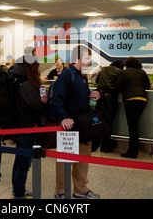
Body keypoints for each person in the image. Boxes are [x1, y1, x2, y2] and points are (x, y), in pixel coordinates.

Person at [50, 45, 101, 199]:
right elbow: (57, 99)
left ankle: (80, 188)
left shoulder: (82, 76)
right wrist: (63, 117)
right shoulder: (67, 75)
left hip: (83, 125)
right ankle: (61, 191)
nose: (90, 61)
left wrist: (95, 95)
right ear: (77, 59)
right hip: (69, 124)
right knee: (65, 160)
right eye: (87, 57)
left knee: (83, 158)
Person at [9, 53, 48, 199]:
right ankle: (19, 193)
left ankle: (17, 189)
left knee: (19, 160)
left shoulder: (18, 80)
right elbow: (37, 106)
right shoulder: (26, 84)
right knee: (24, 162)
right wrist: (44, 102)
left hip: (21, 126)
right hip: (27, 127)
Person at [116, 57, 150, 159]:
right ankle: (133, 150)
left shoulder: (124, 73)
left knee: (132, 126)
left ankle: (132, 152)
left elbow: (117, 87)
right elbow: (147, 86)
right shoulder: (142, 72)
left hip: (130, 99)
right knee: (134, 125)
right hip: (142, 100)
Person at [95, 60, 124, 152]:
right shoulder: (119, 72)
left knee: (101, 120)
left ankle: (99, 143)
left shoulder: (103, 69)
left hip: (100, 97)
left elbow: (96, 81)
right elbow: (120, 85)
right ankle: (106, 145)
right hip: (111, 98)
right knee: (109, 121)